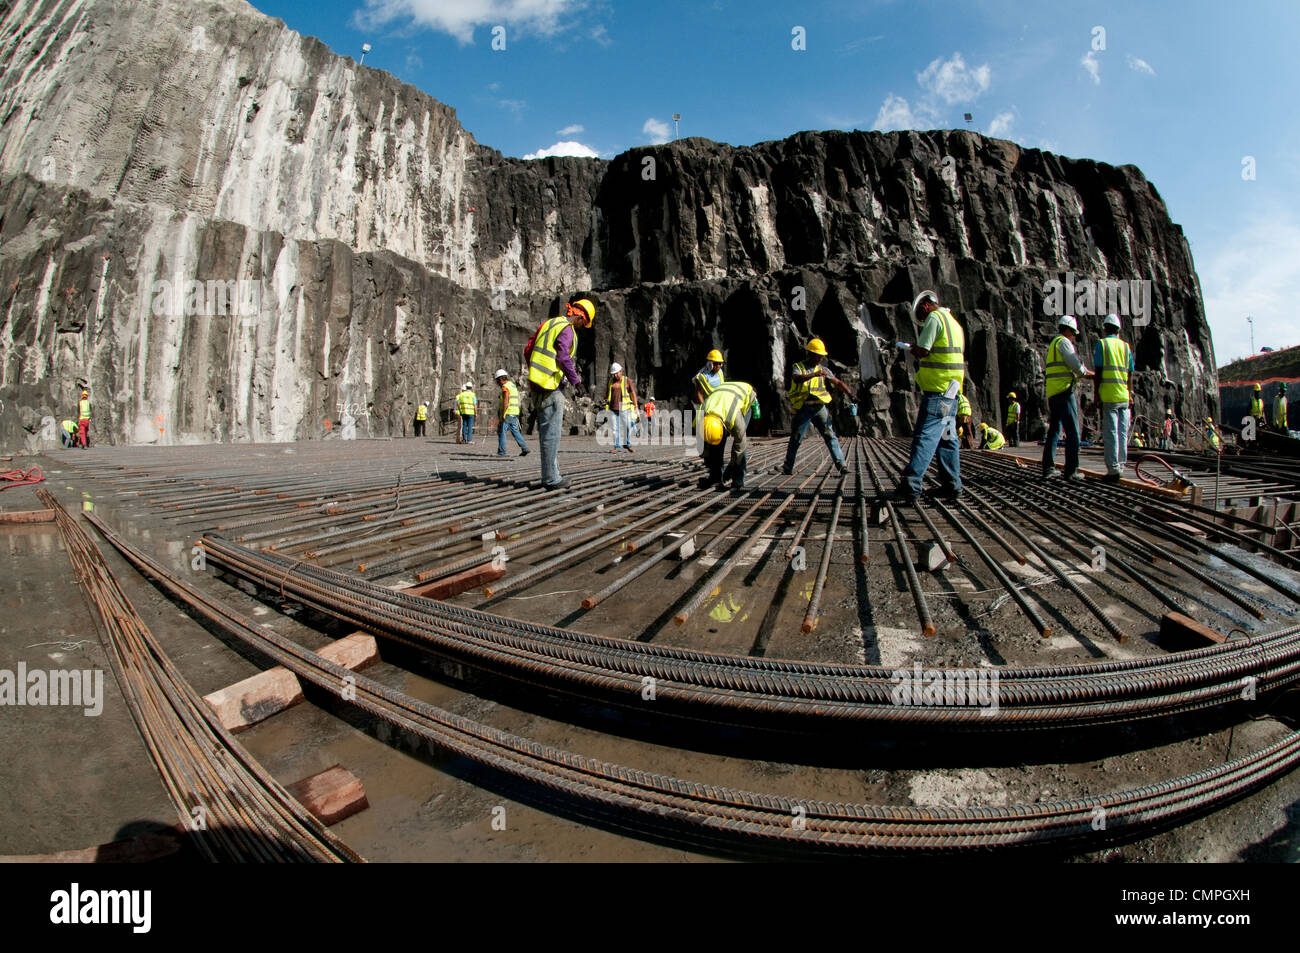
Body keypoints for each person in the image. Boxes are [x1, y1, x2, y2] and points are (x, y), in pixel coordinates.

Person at [894, 291, 964, 501]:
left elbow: (924, 350)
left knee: (925, 437)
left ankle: (911, 486)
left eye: (921, 315)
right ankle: (952, 486)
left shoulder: (935, 318)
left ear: (925, 306)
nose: (922, 319)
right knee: (947, 440)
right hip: (952, 392)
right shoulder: (954, 323)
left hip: (938, 392)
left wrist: (910, 348)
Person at [526, 298, 594, 489]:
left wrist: (534, 374)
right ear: (580, 316)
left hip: (537, 385)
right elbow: (563, 356)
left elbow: (529, 349)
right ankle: (551, 479)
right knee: (552, 435)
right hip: (551, 386)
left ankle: (552, 474)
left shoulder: (549, 324)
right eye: (583, 323)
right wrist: (576, 382)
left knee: (546, 434)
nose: (581, 327)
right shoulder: (567, 328)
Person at [782, 337, 852, 475]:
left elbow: (837, 382)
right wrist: (814, 374)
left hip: (819, 408)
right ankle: (788, 466)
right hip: (804, 408)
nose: (820, 359)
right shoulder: (799, 367)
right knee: (796, 437)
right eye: (817, 356)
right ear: (810, 354)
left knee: (830, 435)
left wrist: (850, 393)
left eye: (821, 356)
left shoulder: (824, 370)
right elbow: (797, 378)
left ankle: (841, 465)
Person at [1041, 315, 1094, 481]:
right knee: (1073, 432)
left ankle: (1048, 468)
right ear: (1066, 329)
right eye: (1073, 332)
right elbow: (1074, 364)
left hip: (1054, 392)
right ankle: (1072, 471)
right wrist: (1087, 373)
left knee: (1054, 431)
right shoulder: (1063, 342)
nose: (1074, 336)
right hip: (1064, 392)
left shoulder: (1053, 344)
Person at [1093, 313, 1134, 483]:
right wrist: (1130, 394)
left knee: (1111, 433)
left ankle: (1113, 470)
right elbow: (1130, 374)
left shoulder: (1102, 344)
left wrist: (1096, 396)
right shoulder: (1126, 347)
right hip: (1124, 396)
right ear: (1118, 329)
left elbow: (1098, 374)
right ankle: (1121, 466)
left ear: (1105, 328)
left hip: (1109, 396)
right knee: (1123, 433)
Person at [698, 381, 760, 491]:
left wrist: (732, 466)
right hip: (723, 396)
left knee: (740, 444)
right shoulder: (701, 414)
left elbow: (740, 446)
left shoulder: (735, 418)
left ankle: (738, 480)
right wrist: (708, 458)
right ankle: (716, 478)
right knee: (714, 446)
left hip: (745, 395)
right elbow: (703, 443)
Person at [606, 362, 639, 453]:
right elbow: (608, 393)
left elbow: (633, 393)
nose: (615, 375)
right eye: (614, 373)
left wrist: (636, 406)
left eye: (617, 373)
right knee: (615, 429)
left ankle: (627, 444)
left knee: (628, 426)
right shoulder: (611, 381)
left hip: (625, 408)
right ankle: (617, 447)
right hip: (613, 408)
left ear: (621, 371)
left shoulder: (627, 380)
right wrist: (605, 401)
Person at [495, 369, 529, 457]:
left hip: (508, 413)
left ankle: (501, 452)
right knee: (515, 431)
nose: (497, 383)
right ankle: (525, 448)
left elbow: (506, 401)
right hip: (514, 412)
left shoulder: (505, 387)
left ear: (501, 379)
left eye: (497, 381)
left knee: (502, 432)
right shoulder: (512, 385)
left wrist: (503, 414)